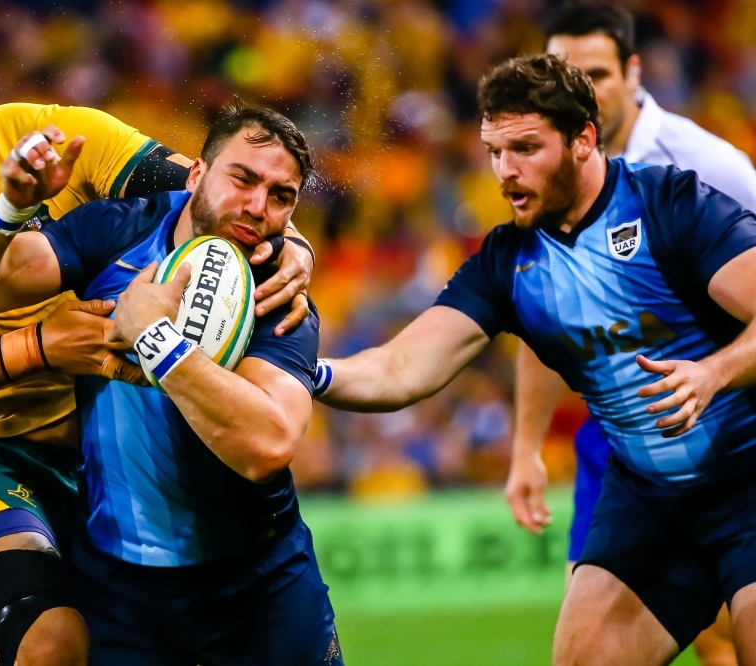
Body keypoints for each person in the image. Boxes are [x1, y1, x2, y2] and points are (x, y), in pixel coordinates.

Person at [0, 27, 315, 666]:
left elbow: (213, 196)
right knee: (52, 639)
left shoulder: (62, 136)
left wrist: (294, 244)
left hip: (92, 456)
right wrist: (39, 347)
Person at [314, 54, 756, 665]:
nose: (506, 171)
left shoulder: (670, 205)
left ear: (583, 139)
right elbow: (401, 368)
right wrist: (306, 373)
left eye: (525, 147)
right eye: (495, 151)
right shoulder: (507, 264)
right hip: (653, 501)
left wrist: (714, 372)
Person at [0, 100, 340, 666]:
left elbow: (266, 446)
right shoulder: (121, 228)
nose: (256, 206)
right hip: (121, 591)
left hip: (259, 585)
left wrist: (155, 338)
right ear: (196, 173)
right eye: (242, 178)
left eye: (280, 196)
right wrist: (8, 210)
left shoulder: (278, 293)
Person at [505, 5, 755, 663]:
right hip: (618, 438)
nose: (580, 87)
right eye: (564, 73)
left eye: (595, 73)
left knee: (728, 635)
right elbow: (538, 317)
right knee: (589, 645)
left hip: (731, 423)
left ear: (633, 73)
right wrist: (526, 445)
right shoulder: (542, 173)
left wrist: (719, 370)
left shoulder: (705, 167)